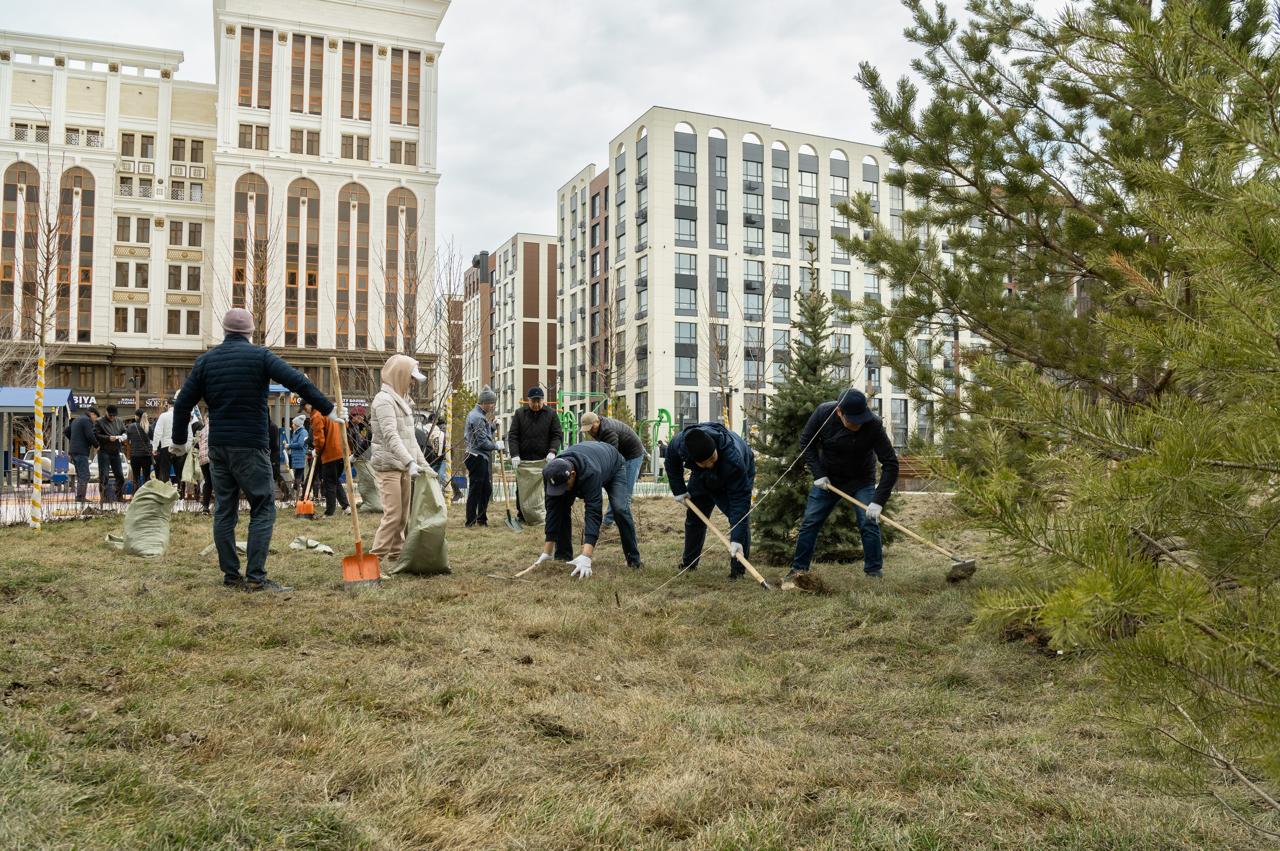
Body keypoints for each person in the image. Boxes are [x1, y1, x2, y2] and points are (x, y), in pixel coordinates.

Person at [169, 308, 336, 592]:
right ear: (250, 332)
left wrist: (177, 440)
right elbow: (297, 381)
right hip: (250, 445)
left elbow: (184, 402)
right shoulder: (260, 356)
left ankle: (231, 576)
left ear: (224, 330)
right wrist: (328, 408)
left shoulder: (206, 361)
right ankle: (256, 578)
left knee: (225, 509)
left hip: (219, 446)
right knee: (262, 507)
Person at [786, 388, 899, 586]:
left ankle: (874, 571)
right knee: (810, 522)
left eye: (860, 419)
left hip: (861, 479)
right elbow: (806, 442)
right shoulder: (823, 413)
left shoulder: (873, 425)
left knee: (868, 522)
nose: (857, 425)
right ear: (839, 412)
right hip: (829, 480)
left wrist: (878, 502)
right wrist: (819, 474)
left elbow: (891, 463)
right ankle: (798, 570)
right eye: (852, 420)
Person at [529, 441, 642, 578]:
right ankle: (563, 557)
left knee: (619, 509)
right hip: (589, 461)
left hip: (613, 466)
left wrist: (586, 556)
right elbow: (553, 511)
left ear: (573, 474)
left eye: (564, 486)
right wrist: (547, 553)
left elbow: (593, 513)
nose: (561, 491)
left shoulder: (590, 472)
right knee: (560, 505)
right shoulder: (551, 473)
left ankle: (633, 560)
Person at [666, 423, 756, 580]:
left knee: (738, 519)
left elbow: (740, 501)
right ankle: (689, 563)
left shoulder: (733, 459)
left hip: (733, 476)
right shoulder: (682, 444)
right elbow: (671, 460)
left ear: (715, 448)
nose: (710, 464)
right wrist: (679, 489)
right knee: (695, 518)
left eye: (712, 458)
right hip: (701, 478)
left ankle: (738, 570)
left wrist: (736, 539)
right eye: (704, 462)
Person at [368, 355, 430, 568]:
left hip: (403, 466)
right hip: (389, 467)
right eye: (411, 378)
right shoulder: (384, 401)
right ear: (400, 375)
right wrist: (409, 462)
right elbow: (391, 436)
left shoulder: (403, 402)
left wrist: (423, 465)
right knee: (393, 515)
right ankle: (373, 561)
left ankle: (397, 556)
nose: (413, 383)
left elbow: (410, 439)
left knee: (403, 517)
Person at [506, 387, 563, 522]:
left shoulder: (551, 414)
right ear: (528, 400)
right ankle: (522, 514)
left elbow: (557, 435)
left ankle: (543, 514)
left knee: (544, 488)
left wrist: (552, 451)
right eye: (533, 402)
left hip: (544, 459)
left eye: (539, 401)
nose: (536, 405)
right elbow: (513, 435)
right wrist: (514, 454)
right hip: (524, 459)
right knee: (522, 488)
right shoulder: (520, 414)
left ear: (543, 401)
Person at [579, 411, 644, 527]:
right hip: (622, 454)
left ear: (597, 421)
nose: (589, 431)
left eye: (590, 428)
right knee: (617, 490)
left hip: (633, 455)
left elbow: (611, 456)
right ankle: (608, 522)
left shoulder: (608, 431)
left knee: (624, 492)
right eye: (587, 429)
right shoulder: (598, 428)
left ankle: (624, 525)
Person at [464, 385, 499, 527]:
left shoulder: (478, 416)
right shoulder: (477, 417)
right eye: (492, 403)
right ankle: (471, 521)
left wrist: (492, 426)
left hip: (478, 457)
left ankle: (481, 519)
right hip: (476, 457)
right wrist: (497, 446)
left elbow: (483, 433)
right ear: (484, 402)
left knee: (485, 489)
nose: (493, 406)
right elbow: (482, 442)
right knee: (476, 489)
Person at [310, 403, 351, 517]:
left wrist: (316, 451)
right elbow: (345, 426)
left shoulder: (318, 415)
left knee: (329, 482)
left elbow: (319, 438)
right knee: (335, 480)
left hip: (331, 453)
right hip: (342, 451)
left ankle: (329, 512)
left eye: (305, 408)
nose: (306, 411)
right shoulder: (333, 412)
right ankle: (346, 506)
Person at [94, 404, 128, 503]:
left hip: (116, 451)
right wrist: (108, 438)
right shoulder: (99, 421)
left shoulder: (119, 421)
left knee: (120, 476)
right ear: (106, 413)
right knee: (104, 476)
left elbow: (124, 430)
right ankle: (104, 497)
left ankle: (119, 496)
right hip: (104, 451)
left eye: (114, 416)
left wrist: (124, 436)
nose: (112, 418)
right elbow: (96, 434)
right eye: (110, 416)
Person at [67, 406, 99, 503]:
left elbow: (66, 431)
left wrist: (75, 440)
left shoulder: (76, 419)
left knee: (80, 474)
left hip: (73, 451)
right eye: (95, 418)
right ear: (92, 414)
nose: (94, 420)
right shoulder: (86, 420)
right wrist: (97, 445)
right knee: (85, 475)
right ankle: (80, 497)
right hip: (81, 451)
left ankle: (79, 496)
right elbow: (90, 435)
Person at [125, 410, 153, 489]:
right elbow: (152, 439)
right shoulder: (148, 426)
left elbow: (127, 441)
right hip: (146, 455)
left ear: (137, 416)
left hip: (135, 455)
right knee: (146, 477)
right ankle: (146, 494)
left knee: (136, 477)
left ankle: (136, 494)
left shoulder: (131, 427)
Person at [151, 398, 176, 484]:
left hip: (166, 446)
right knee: (180, 472)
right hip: (180, 446)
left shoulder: (163, 416)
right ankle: (181, 493)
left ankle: (165, 493)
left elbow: (157, 433)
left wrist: (154, 448)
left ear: (168, 405)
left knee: (165, 471)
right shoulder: (181, 415)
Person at [288, 415, 308, 494]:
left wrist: (289, 446)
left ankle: (301, 496)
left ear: (297, 425)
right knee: (297, 478)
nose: (292, 425)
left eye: (293, 424)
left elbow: (300, 444)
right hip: (296, 458)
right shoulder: (295, 432)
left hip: (301, 458)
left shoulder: (303, 432)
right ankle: (298, 496)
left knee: (299, 479)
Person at [197, 413, 213, 513]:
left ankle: (205, 507)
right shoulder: (216, 428)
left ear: (206, 419)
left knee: (208, 482)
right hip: (213, 458)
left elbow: (199, 444)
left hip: (203, 459)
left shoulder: (202, 431)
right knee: (218, 482)